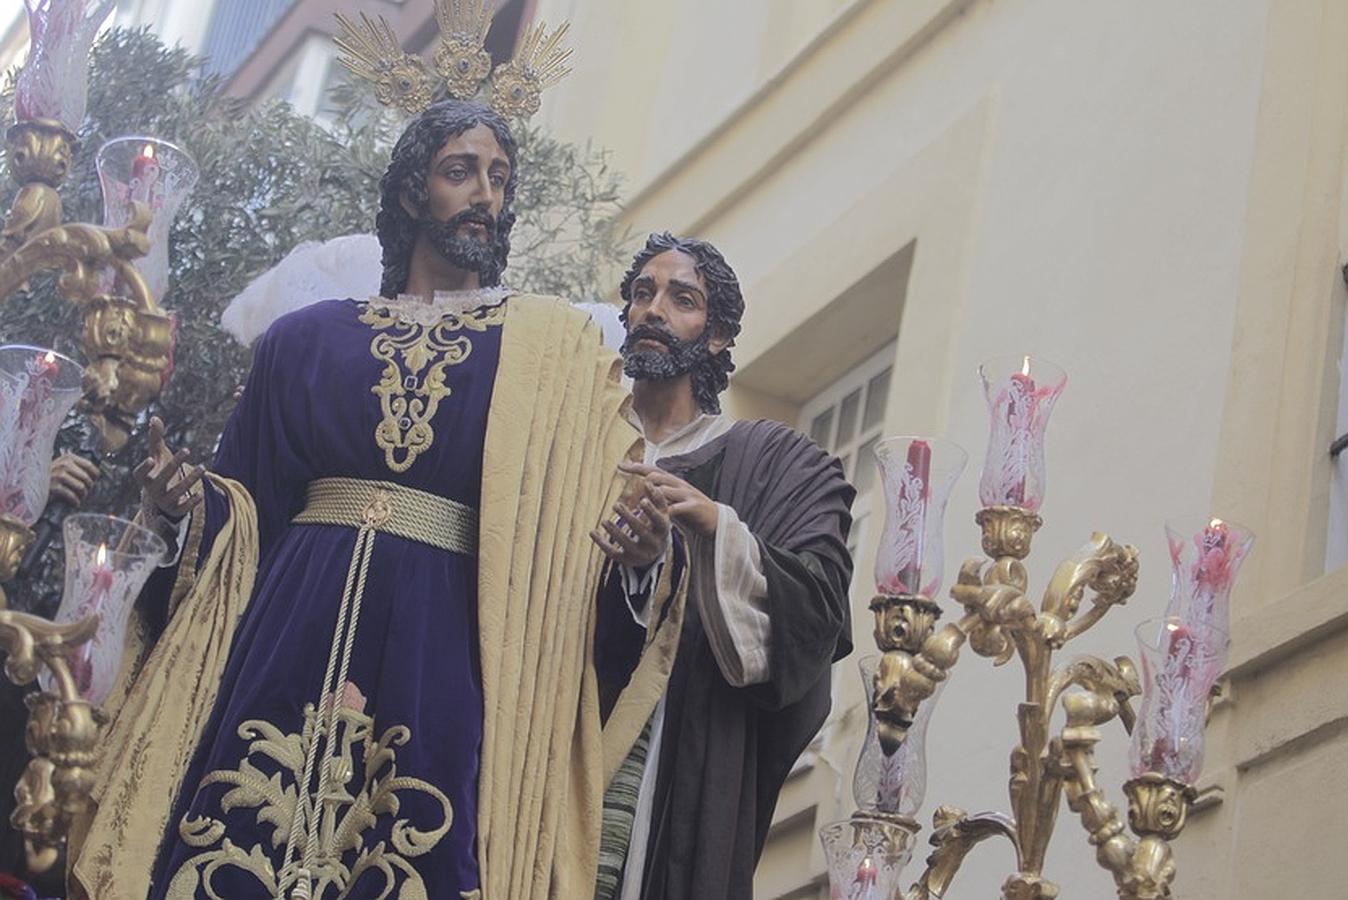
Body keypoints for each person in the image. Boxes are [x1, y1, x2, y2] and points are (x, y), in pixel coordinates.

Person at [67, 99, 683, 900]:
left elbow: (567, 554)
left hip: (446, 652)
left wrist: (635, 565)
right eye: (460, 172)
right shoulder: (305, 340)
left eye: (499, 178)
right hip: (287, 634)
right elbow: (247, 510)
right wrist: (186, 508)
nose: (484, 195)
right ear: (408, 194)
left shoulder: (554, 351)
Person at [591, 233, 855, 899]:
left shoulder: (770, 462)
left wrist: (716, 530)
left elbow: (817, 610)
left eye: (682, 299)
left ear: (717, 336)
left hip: (674, 756)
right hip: (548, 730)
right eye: (643, 294)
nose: (654, 310)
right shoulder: (576, 446)